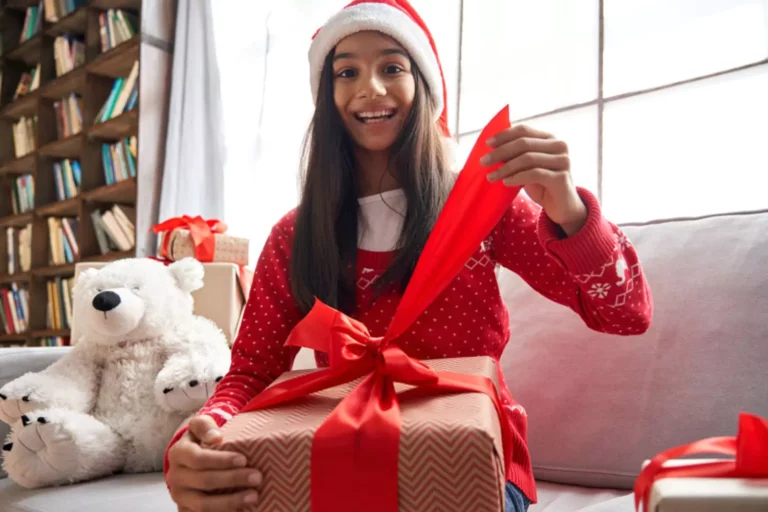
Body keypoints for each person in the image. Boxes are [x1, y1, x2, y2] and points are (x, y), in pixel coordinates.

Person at [164, 1, 653, 511]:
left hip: (475, 464)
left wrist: (569, 210)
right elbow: (252, 372)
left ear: (424, 86)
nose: (370, 87)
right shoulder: (294, 234)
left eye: (392, 67)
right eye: (346, 71)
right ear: (326, 97)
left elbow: (625, 313)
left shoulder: (481, 209)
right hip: (341, 459)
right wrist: (198, 443)